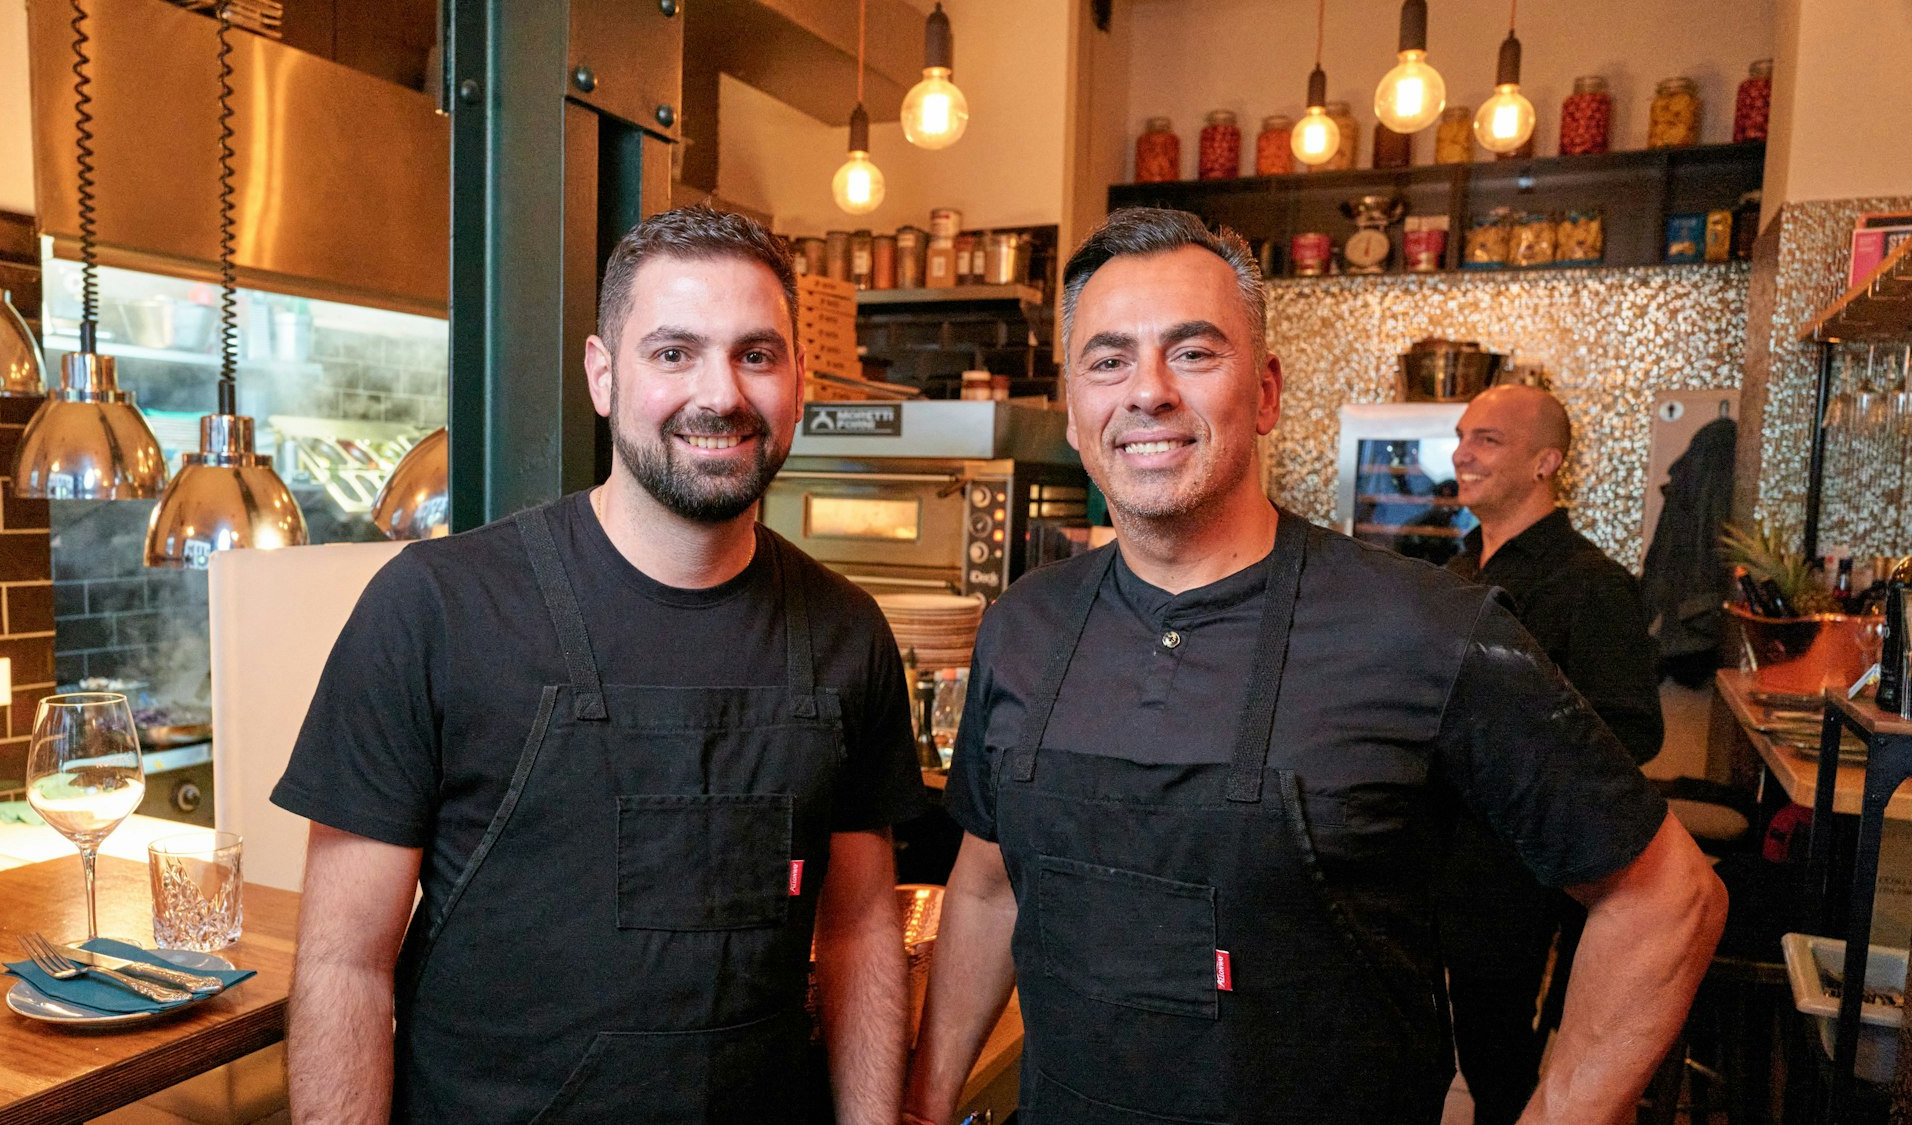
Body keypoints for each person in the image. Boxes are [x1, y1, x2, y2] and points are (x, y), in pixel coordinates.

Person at [902, 208, 1725, 1125]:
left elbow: (1667, 898)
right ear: (1073, 403)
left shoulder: (1425, 630)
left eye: (1194, 352)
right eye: (1108, 360)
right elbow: (987, 884)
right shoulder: (1023, 626)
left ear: (1265, 392)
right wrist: (926, 1104)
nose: (1148, 391)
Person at [273, 206, 925, 1124]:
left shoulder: (847, 632)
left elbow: (860, 930)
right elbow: (344, 963)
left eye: (756, 354)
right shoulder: (435, 608)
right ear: (603, 374)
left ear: (797, 379)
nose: (721, 393)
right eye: (672, 352)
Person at [1441, 384, 1667, 1125]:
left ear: (1547, 461)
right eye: (1463, 434)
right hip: (1442, 845)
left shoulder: (1593, 585)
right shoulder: (1454, 573)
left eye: (1488, 440)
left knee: (1498, 1051)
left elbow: (1635, 731)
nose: (1462, 454)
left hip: (1514, 864)